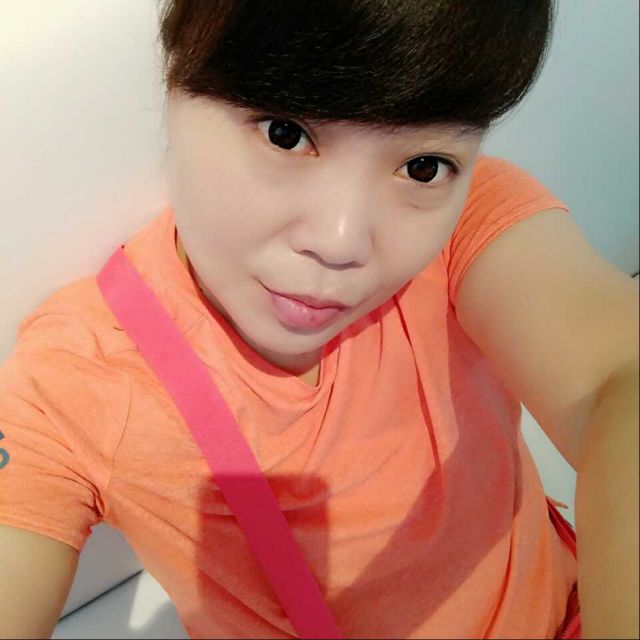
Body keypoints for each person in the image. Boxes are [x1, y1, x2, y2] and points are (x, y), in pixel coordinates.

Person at [1, 1, 638, 638]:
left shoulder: (468, 228)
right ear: (174, 76)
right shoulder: (82, 379)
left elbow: (620, 376)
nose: (340, 241)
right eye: (284, 133)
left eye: (422, 167)